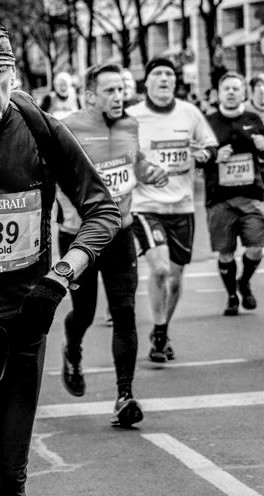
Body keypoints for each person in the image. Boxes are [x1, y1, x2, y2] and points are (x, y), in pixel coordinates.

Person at [0, 25, 120, 494]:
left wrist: (60, 277)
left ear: (12, 77)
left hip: (25, 314)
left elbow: (103, 211)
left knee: (10, 474)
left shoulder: (40, 129)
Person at [56, 63, 168, 427]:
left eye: (121, 89)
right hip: (81, 238)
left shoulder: (129, 125)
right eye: (110, 91)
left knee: (124, 311)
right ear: (90, 96)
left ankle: (124, 395)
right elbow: (49, 175)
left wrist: (150, 172)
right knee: (85, 313)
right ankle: (72, 350)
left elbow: (135, 165)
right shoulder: (67, 128)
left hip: (121, 232)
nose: (119, 97)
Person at [129, 57, 217, 363]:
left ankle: (162, 330)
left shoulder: (190, 113)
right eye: (158, 74)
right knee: (161, 269)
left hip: (182, 206)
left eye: (169, 74)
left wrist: (204, 155)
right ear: (147, 82)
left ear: (175, 82)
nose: (165, 78)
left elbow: (210, 147)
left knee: (176, 278)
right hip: (146, 205)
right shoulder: (132, 117)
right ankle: (158, 330)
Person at [203, 72, 264, 315]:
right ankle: (232, 295)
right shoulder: (208, 122)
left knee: (255, 247)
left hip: (252, 195)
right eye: (227, 89)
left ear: (244, 93)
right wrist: (215, 157)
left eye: (236, 88)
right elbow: (198, 158)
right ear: (219, 94)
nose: (231, 92)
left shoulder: (253, 118)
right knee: (225, 253)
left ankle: (245, 281)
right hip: (220, 198)